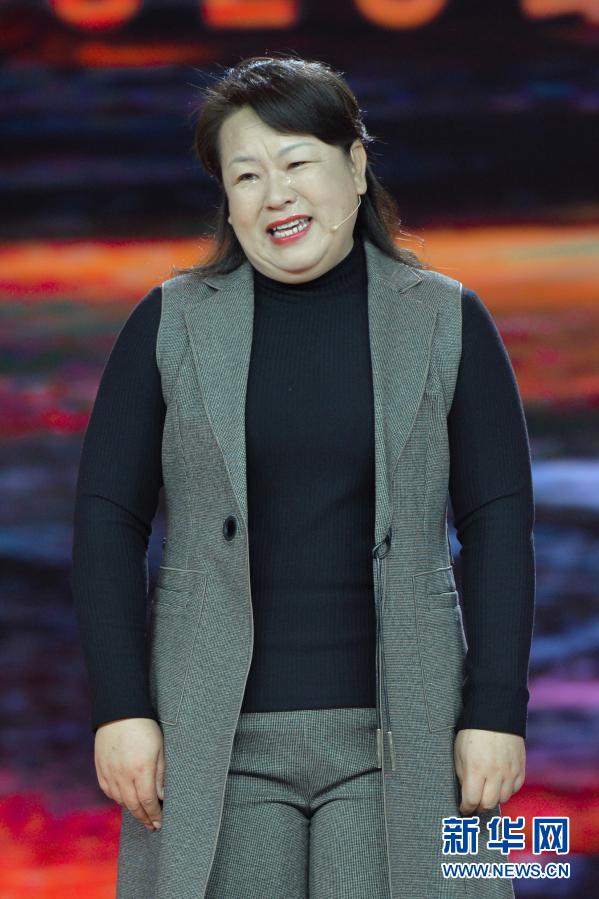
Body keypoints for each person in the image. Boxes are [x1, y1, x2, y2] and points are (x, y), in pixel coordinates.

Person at [71, 54, 534, 899]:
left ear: (354, 167)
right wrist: (120, 705)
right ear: (226, 199)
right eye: (245, 175)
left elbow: (498, 522)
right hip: (215, 739)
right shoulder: (169, 323)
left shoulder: (446, 318)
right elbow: (107, 520)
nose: (274, 195)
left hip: (402, 734)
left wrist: (497, 710)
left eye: (295, 163)